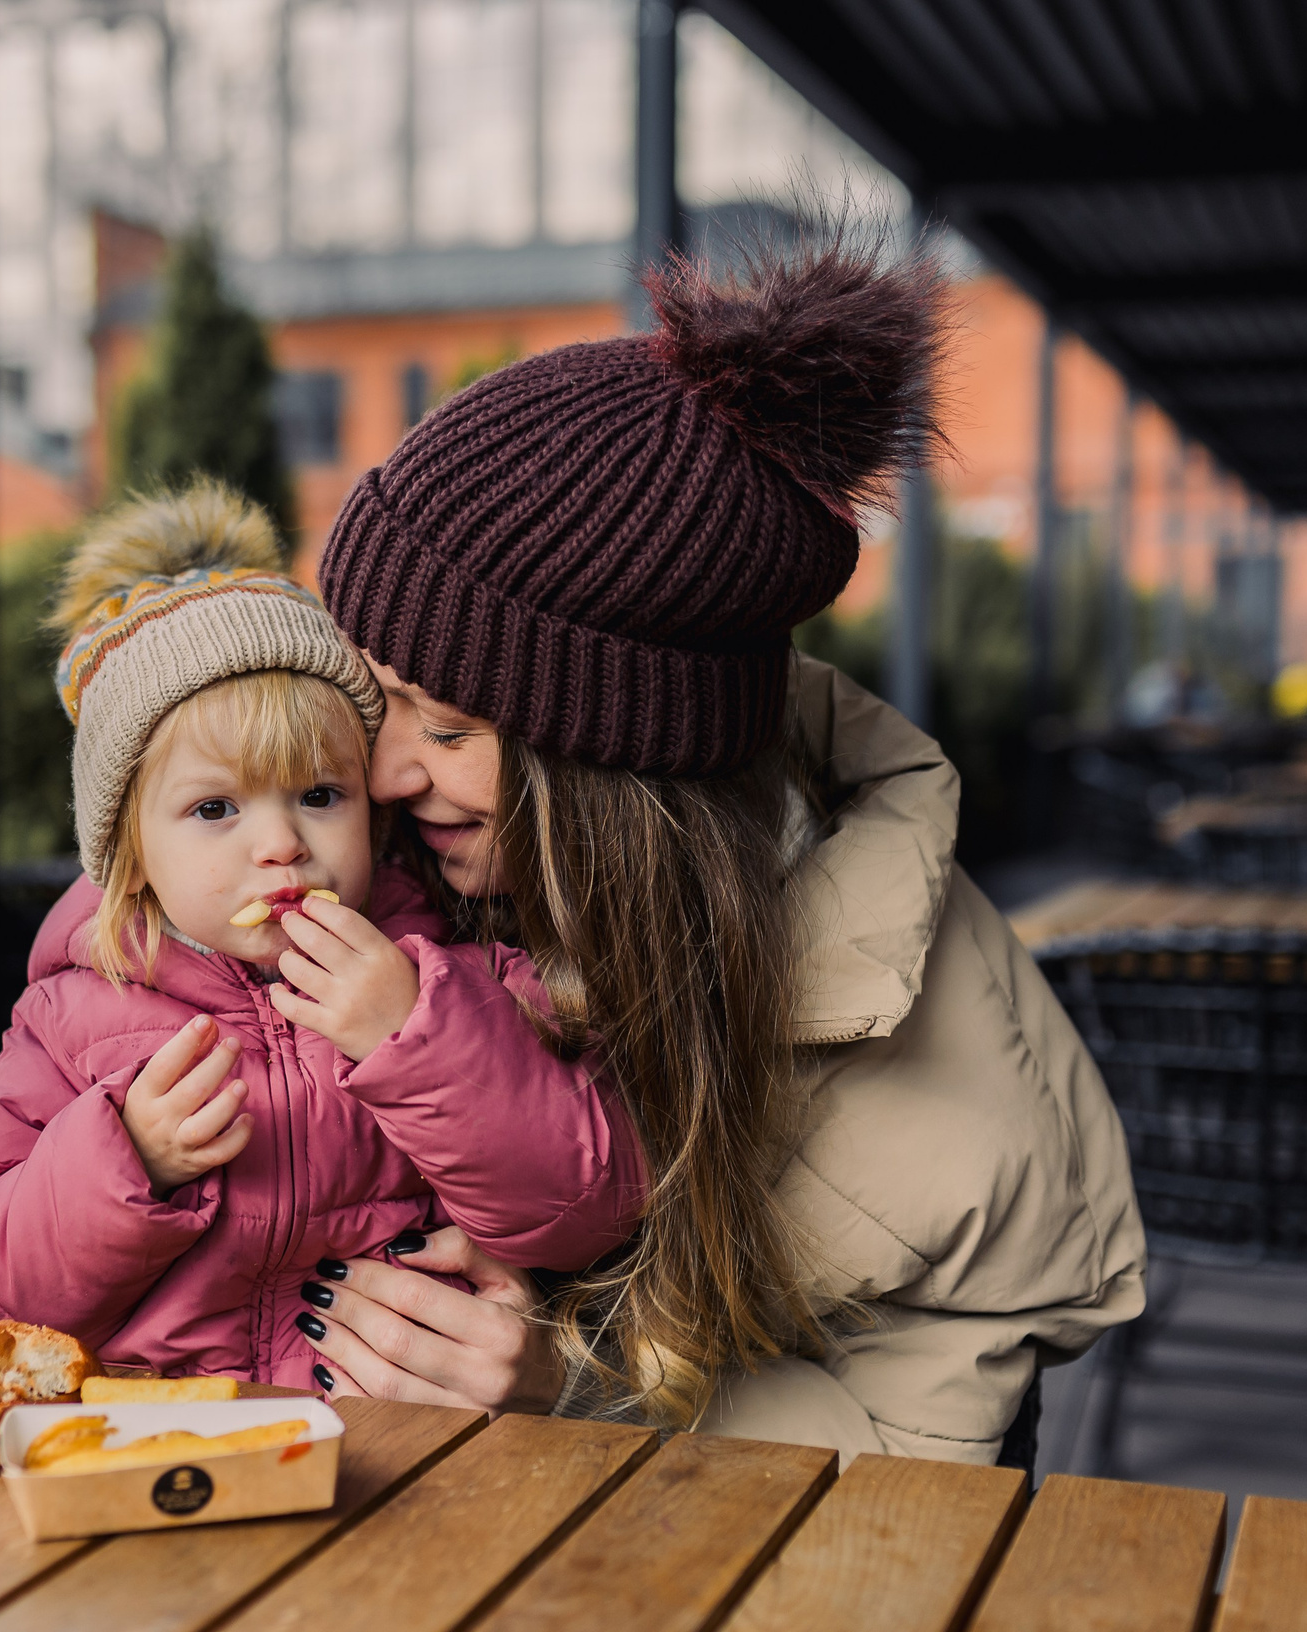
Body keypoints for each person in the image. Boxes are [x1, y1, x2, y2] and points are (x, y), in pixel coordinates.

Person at [295, 237, 1148, 1465]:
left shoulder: (953, 1081)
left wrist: (567, 1386)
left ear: (616, 772)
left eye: (454, 725)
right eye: (382, 698)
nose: (386, 773)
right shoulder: (407, 849)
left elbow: (927, 1474)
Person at [0, 482, 643, 1390]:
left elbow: (587, 1210)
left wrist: (414, 1037)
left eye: (319, 794)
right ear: (131, 854)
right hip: (152, 1448)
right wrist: (125, 1156)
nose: (280, 844)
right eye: (215, 807)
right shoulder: (70, 1016)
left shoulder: (462, 974)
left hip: (395, 1447)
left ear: (371, 812)